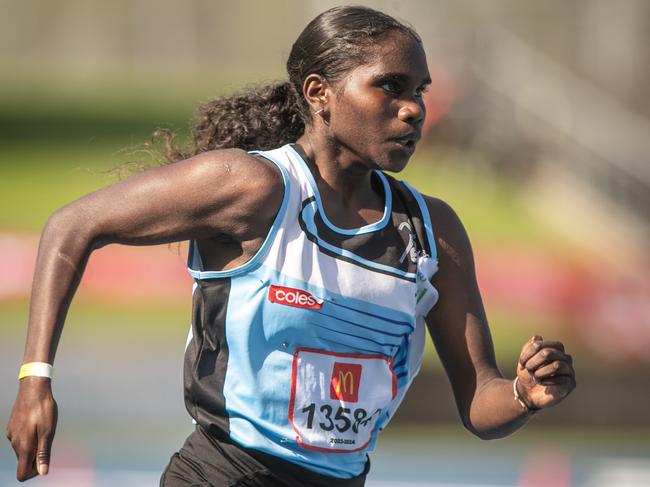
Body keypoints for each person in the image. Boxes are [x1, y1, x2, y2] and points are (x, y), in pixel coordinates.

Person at [6, 6, 576, 486]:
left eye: (420, 91)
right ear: (319, 93)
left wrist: (524, 395)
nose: (414, 108)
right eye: (390, 87)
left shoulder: (433, 231)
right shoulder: (252, 187)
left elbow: (481, 404)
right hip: (224, 474)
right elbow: (70, 227)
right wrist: (36, 379)